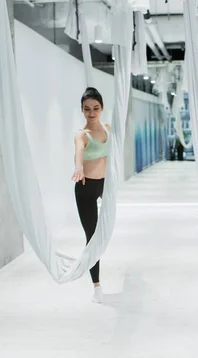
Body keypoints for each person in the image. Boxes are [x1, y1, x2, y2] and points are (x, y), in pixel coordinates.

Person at [71, 87, 110, 303]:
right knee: (92, 238)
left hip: (105, 186)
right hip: (86, 188)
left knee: (105, 233)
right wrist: (78, 167)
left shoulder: (107, 129)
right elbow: (78, 152)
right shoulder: (81, 134)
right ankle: (96, 285)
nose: (92, 113)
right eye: (87, 109)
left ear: (102, 108)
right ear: (82, 110)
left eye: (95, 108)